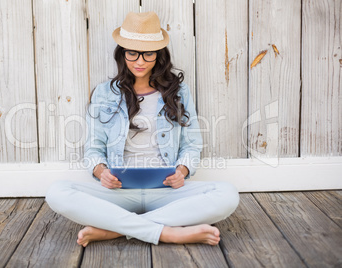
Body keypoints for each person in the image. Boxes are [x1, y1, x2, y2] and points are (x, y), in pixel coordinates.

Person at [46, 11, 239, 247]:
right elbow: (93, 147)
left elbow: (191, 144)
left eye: (148, 54)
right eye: (132, 53)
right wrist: (101, 173)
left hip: (166, 191)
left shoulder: (179, 91)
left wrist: (182, 171)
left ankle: (115, 229)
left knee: (227, 194)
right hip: (118, 193)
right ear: (122, 53)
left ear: (159, 56)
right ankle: (169, 233)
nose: (140, 61)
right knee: (57, 192)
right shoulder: (104, 93)